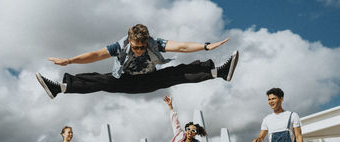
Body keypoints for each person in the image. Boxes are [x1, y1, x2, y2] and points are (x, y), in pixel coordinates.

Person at [36, 24, 239, 99]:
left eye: (142, 47)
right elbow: (96, 55)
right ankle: (59, 89)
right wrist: (69, 60)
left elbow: (182, 47)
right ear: (130, 41)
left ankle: (219, 72)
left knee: (178, 72)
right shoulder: (120, 45)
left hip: (151, 80)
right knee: (100, 80)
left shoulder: (155, 43)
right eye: (136, 47)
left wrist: (205, 46)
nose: (139, 50)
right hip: (126, 80)